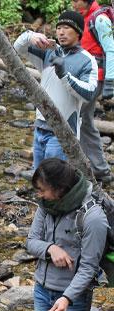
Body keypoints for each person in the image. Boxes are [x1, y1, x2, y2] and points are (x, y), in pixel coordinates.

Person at [26, 158, 106, 311]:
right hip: (42, 289)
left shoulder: (93, 219)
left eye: (41, 189)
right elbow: (31, 241)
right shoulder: (46, 205)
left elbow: (89, 268)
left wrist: (67, 297)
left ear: (60, 188)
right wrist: (51, 249)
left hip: (73, 299)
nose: (38, 194)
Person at [13, 10, 98, 169]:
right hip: (40, 126)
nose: (61, 32)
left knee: (54, 181)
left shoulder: (87, 60)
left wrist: (64, 75)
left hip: (63, 133)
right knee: (39, 178)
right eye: (59, 28)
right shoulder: (48, 51)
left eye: (66, 28)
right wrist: (29, 36)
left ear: (78, 32)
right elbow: (17, 48)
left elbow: (89, 93)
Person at [73, 0, 114, 183]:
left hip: (96, 77)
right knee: (82, 119)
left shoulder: (99, 19)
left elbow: (111, 50)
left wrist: (110, 82)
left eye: (76, 0)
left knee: (81, 118)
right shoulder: (84, 17)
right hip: (84, 76)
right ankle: (95, 168)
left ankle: (97, 169)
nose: (73, 3)